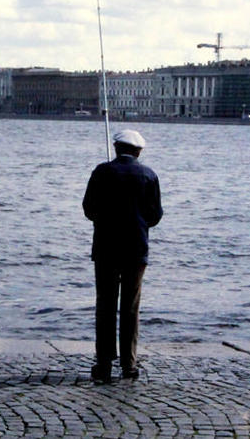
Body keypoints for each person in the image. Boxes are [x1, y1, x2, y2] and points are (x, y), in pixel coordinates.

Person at [82, 129, 162, 384]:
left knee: (105, 305)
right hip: (136, 249)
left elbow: (88, 209)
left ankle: (104, 363)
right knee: (130, 307)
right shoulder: (149, 175)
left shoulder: (101, 172)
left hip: (105, 247)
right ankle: (129, 364)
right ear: (138, 152)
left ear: (116, 148)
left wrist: (104, 221)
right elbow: (155, 215)